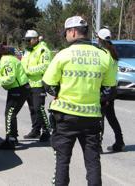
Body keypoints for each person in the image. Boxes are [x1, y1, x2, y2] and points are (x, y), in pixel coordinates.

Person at [42, 16, 117, 185]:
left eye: (66, 33)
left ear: (73, 32)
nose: (65, 36)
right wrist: (96, 99)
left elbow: (47, 84)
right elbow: (110, 90)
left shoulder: (63, 54)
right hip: (91, 118)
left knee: (62, 161)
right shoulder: (104, 56)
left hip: (65, 117)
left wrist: (59, 93)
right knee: (92, 162)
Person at [97, 28, 125, 152]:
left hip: (104, 89)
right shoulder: (112, 52)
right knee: (111, 118)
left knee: (100, 118)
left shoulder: (103, 54)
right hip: (112, 88)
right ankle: (120, 142)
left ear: (100, 39)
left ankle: (98, 146)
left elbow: (100, 73)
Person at [21, 30, 52, 142]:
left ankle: (46, 131)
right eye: (26, 40)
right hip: (28, 84)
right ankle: (35, 130)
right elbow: (23, 64)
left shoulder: (43, 50)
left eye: (29, 40)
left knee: (39, 109)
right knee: (32, 109)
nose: (27, 42)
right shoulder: (27, 51)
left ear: (36, 39)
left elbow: (45, 66)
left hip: (39, 84)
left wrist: (28, 71)